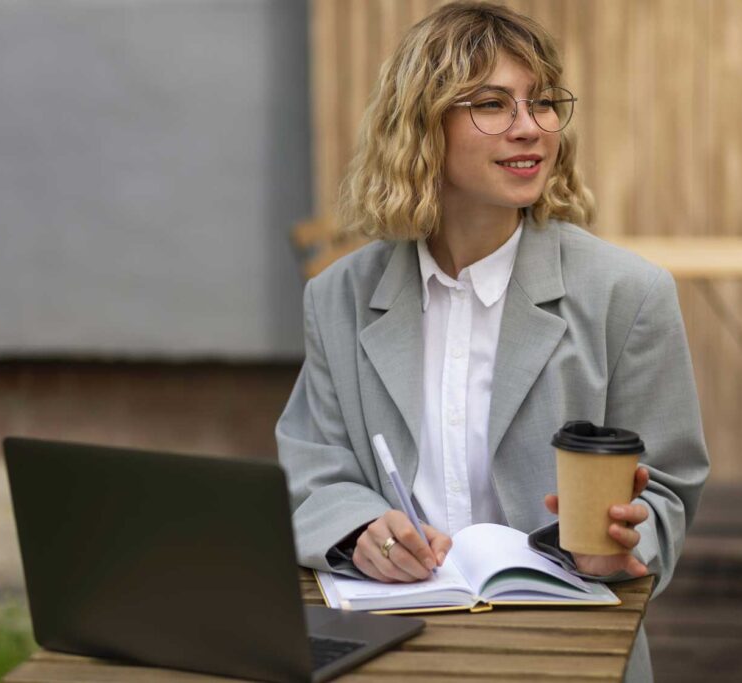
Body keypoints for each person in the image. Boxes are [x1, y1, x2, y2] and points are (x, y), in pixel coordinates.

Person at [276, 3, 709, 681]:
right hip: (391, 638)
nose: (530, 128)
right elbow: (313, 466)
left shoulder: (627, 294)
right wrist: (360, 528)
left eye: (542, 103)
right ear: (422, 125)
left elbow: (672, 484)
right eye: (492, 104)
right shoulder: (339, 297)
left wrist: (625, 542)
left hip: (566, 646)